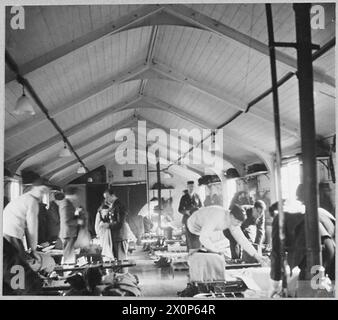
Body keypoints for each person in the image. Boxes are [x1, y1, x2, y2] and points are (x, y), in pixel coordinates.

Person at [270, 184, 335, 296]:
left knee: (307, 291)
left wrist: (276, 282)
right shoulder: (319, 212)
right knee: (323, 289)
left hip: (312, 257)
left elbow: (276, 251)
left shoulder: (278, 218)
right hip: (331, 252)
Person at [3, 178, 51, 294]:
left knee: (14, 261)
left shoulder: (23, 198)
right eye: (42, 190)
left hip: (6, 232)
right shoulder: (32, 202)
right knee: (18, 262)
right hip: (12, 233)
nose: (43, 193)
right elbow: (32, 227)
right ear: (35, 188)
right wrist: (33, 250)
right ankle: (22, 289)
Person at [186, 205, 268, 265]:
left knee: (208, 254)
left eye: (240, 223)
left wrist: (256, 255)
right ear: (232, 216)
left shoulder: (233, 221)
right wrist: (217, 251)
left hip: (203, 226)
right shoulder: (216, 216)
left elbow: (242, 240)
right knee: (195, 255)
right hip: (193, 225)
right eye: (238, 222)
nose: (239, 225)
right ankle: (193, 282)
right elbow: (203, 238)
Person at [56, 187, 87, 264]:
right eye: (76, 195)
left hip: (69, 233)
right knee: (68, 256)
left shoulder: (67, 203)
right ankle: (68, 271)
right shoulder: (66, 204)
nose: (77, 197)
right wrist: (79, 221)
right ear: (73, 195)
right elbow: (66, 221)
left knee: (69, 255)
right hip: (68, 234)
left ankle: (69, 269)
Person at [101, 187, 129, 262]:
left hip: (120, 237)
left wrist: (109, 225)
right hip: (115, 236)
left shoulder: (119, 206)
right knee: (116, 260)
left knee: (121, 260)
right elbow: (111, 219)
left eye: (107, 197)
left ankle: (122, 273)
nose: (106, 200)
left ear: (113, 195)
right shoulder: (113, 206)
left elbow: (120, 223)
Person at [178, 181, 202, 251]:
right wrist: (186, 212)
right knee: (189, 237)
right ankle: (190, 252)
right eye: (190, 187)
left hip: (196, 220)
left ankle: (198, 251)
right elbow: (180, 209)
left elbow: (201, 207)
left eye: (193, 187)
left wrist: (198, 211)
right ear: (187, 187)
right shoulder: (184, 197)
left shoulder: (197, 196)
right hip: (187, 219)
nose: (191, 188)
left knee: (197, 236)